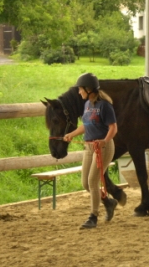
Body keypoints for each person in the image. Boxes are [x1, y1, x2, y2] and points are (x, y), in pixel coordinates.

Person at [64, 73, 118, 229]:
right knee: (86, 184)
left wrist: (104, 141)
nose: (79, 92)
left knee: (92, 182)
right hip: (88, 147)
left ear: (89, 89)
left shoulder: (105, 106)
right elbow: (86, 125)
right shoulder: (87, 105)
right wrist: (71, 134)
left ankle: (93, 217)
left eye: (81, 89)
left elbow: (113, 128)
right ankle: (108, 201)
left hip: (103, 147)